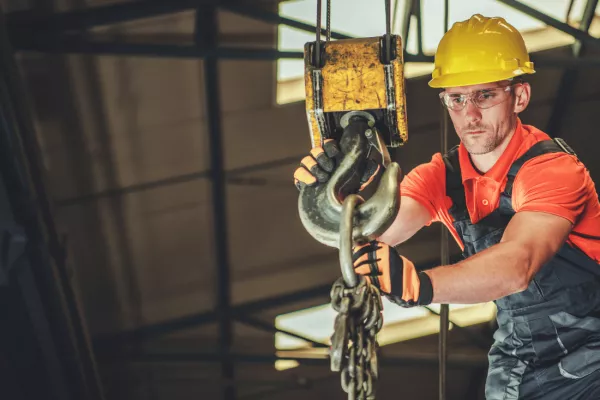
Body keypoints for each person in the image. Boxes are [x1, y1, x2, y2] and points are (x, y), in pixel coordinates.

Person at [294, 14, 600, 400]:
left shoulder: (552, 171)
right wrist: (328, 192)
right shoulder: (440, 176)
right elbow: (372, 233)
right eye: (456, 98)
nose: (470, 115)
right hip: (519, 364)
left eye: (485, 95)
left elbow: (517, 265)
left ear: (519, 97)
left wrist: (422, 286)